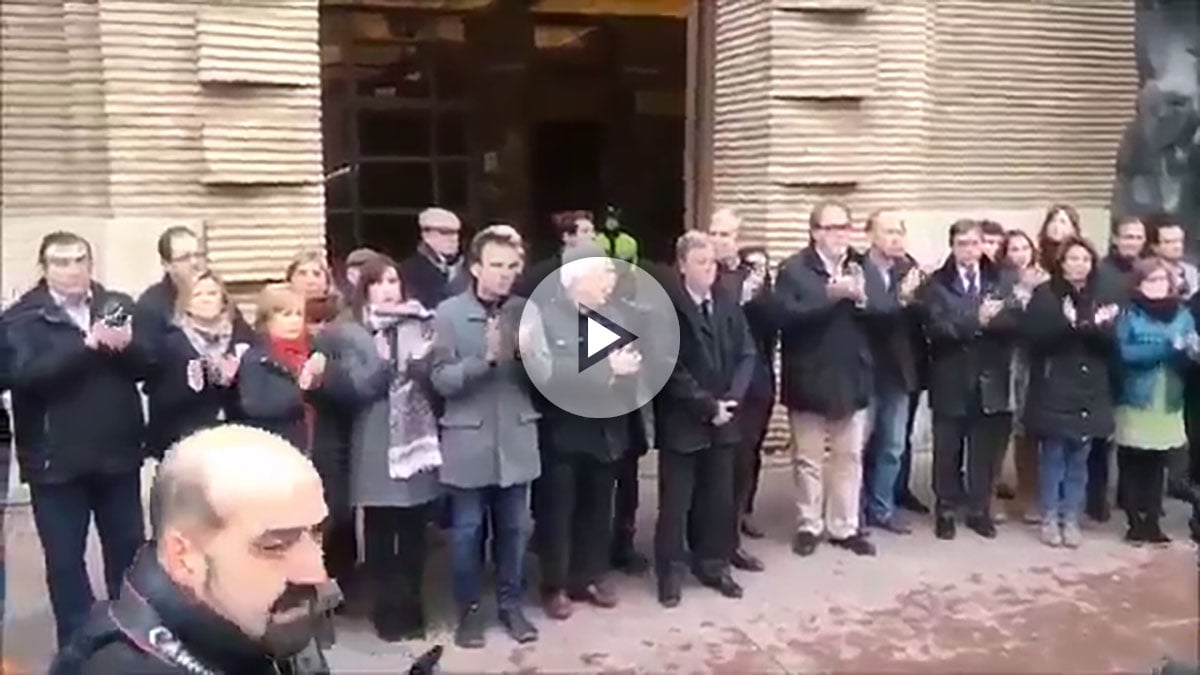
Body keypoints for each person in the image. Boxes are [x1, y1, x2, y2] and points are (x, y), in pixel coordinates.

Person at [50, 424, 337, 674]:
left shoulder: (265, 622)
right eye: (276, 546)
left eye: (315, 536)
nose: (316, 572)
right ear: (184, 557)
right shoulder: (122, 667)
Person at [4, 231, 150, 647]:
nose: (72, 270)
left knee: (128, 555)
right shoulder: (22, 318)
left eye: (79, 260)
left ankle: (134, 641)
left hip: (117, 454)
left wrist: (127, 348)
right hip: (55, 463)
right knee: (67, 563)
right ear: (44, 268)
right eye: (61, 262)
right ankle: (80, 647)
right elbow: (27, 378)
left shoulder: (116, 305)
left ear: (91, 264)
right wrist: (88, 346)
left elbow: (149, 366)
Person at [429, 225, 546, 648]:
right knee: (467, 533)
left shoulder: (525, 311)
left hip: (517, 437)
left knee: (515, 530)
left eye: (512, 266)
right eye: (496, 266)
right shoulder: (447, 314)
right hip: (468, 442)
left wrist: (536, 359)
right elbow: (441, 380)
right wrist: (485, 360)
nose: (505, 274)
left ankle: (511, 607)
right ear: (476, 267)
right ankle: (470, 612)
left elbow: (547, 381)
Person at [325, 255, 442, 640]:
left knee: (413, 531)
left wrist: (422, 359)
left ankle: (412, 606)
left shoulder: (420, 322)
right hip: (374, 438)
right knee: (379, 531)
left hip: (414, 438)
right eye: (380, 282)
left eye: (394, 280)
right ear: (366, 289)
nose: (390, 288)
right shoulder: (349, 332)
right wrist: (387, 359)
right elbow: (356, 389)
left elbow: (434, 384)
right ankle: (387, 611)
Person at [654, 232, 755, 607]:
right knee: (676, 503)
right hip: (684, 421)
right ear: (682, 266)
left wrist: (733, 399)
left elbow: (747, 352)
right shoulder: (669, 307)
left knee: (718, 498)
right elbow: (671, 367)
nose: (709, 270)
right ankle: (670, 573)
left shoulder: (727, 301)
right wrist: (708, 406)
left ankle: (713, 565)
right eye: (700, 263)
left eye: (712, 263)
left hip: (726, 417)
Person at [535, 245, 634, 619]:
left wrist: (620, 369)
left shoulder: (610, 316)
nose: (611, 281)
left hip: (605, 430)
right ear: (577, 278)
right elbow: (551, 375)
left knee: (597, 511)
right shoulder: (546, 318)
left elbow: (627, 364)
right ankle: (554, 585)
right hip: (562, 434)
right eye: (604, 274)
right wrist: (606, 370)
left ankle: (588, 576)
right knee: (558, 514)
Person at [775, 201, 878, 557]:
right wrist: (829, 296)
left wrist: (865, 300)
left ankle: (844, 526)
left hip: (853, 373)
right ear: (816, 231)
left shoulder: (861, 265)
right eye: (833, 228)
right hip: (810, 374)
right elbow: (786, 316)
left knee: (849, 456)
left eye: (845, 227)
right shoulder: (793, 269)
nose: (840, 235)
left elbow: (885, 310)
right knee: (809, 458)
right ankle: (809, 524)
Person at [920, 219, 1021, 541]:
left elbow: (1014, 319)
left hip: (991, 375)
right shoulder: (936, 284)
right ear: (952, 246)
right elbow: (937, 329)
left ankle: (979, 509)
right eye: (962, 244)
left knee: (984, 451)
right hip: (951, 375)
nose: (969, 250)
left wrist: (988, 322)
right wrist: (975, 321)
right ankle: (946, 509)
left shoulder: (1002, 278)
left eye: (975, 243)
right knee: (947, 449)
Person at [1024, 237, 1120, 548]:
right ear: (1062, 263)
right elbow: (1035, 341)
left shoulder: (1100, 296)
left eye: (1085, 259)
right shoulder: (1046, 294)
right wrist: (1068, 325)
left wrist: (1092, 326)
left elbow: (1110, 345)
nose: (1079, 264)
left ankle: (1071, 517)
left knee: (1080, 457)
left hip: (1091, 387)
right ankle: (1050, 516)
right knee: (1053, 456)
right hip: (1055, 385)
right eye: (1073, 258)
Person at [703, 207, 775, 568]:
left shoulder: (755, 275)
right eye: (714, 233)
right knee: (718, 466)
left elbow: (771, 321)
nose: (719, 241)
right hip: (716, 385)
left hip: (755, 381)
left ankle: (735, 527)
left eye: (726, 235)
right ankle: (712, 540)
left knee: (746, 459)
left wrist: (761, 283)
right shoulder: (705, 277)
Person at [1115, 259, 1198, 544]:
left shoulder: (1183, 315)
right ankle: (1133, 522)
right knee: (1132, 463)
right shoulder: (1129, 314)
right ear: (1138, 284)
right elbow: (1126, 354)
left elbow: (1189, 348)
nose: (1158, 285)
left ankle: (1152, 521)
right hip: (1136, 397)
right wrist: (1167, 347)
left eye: (1162, 280)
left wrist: (1191, 350)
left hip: (1169, 397)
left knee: (1158, 465)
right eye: (1150, 280)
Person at [860, 209, 924, 535]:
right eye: (888, 231)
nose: (896, 238)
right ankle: (854, 511)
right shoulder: (857, 269)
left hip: (898, 371)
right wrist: (901, 298)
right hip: (865, 368)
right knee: (858, 446)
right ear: (870, 234)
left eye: (900, 231)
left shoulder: (909, 270)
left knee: (893, 445)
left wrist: (917, 297)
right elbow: (870, 313)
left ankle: (882, 508)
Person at [145, 270, 256, 458]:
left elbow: (255, 391)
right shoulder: (171, 343)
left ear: (223, 300)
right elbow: (161, 400)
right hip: (187, 443)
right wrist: (195, 382)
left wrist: (235, 379)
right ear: (186, 303)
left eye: (212, 294)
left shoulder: (243, 336)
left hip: (235, 440)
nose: (206, 300)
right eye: (198, 295)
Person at [238, 285, 328, 451]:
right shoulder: (256, 358)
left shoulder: (316, 353)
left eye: (299, 314)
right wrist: (301, 390)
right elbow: (254, 406)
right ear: (267, 319)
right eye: (286, 314)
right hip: (275, 448)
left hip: (317, 448)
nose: (294, 321)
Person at [995, 230, 1046, 523]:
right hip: (1003, 360)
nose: (1019, 254)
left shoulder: (1045, 282)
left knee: (1028, 433)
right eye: (1013, 248)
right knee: (1000, 430)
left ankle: (1030, 497)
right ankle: (992, 494)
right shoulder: (999, 281)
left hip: (1032, 361)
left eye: (1024, 247)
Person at [514, 210, 595, 298]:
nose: (593, 236)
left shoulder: (598, 272)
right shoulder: (544, 272)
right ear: (566, 236)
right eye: (585, 231)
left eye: (593, 231)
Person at [401, 207, 465, 310]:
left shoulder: (464, 268)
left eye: (456, 233)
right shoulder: (410, 271)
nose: (453, 239)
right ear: (426, 235)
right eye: (445, 233)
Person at [1037, 204, 1083, 272]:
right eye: (1052, 221)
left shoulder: (1080, 254)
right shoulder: (1038, 256)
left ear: (1073, 228)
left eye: (1062, 222)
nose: (1056, 226)